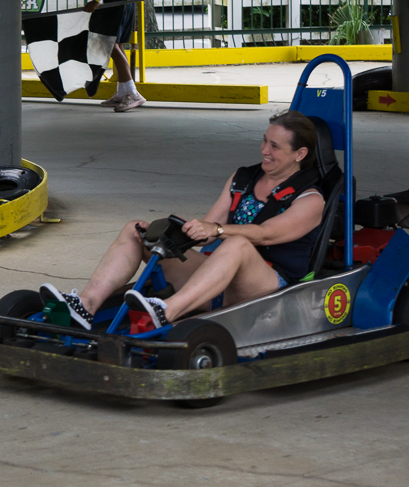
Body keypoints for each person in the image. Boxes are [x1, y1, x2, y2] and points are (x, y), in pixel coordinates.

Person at [40, 111, 326, 330]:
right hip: (219, 275)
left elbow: (265, 234)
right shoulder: (243, 179)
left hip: (269, 288)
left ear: (299, 154)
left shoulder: (311, 200)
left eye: (275, 146)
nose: (264, 150)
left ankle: (167, 311)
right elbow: (207, 231)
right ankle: (85, 306)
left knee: (237, 244)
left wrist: (217, 229)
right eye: (264, 140)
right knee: (136, 230)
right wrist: (178, 232)